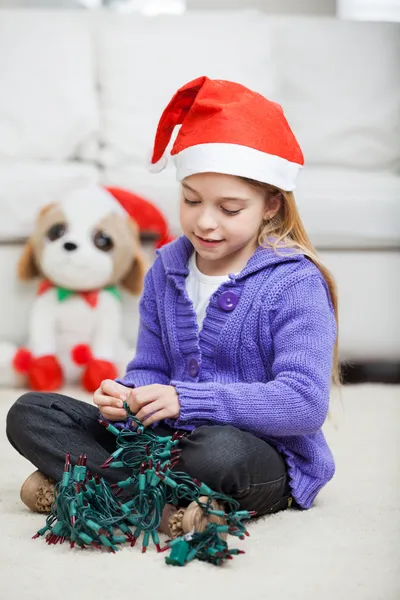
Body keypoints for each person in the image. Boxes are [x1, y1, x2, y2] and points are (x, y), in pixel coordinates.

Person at [6, 76, 340, 538]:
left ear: (270, 206)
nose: (205, 221)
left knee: (216, 452)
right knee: (32, 413)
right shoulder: (167, 267)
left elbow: (303, 404)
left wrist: (187, 400)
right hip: (162, 444)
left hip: (257, 453)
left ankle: (92, 488)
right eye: (191, 200)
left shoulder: (295, 284)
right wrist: (125, 397)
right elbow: (151, 366)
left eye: (229, 208)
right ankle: (159, 506)